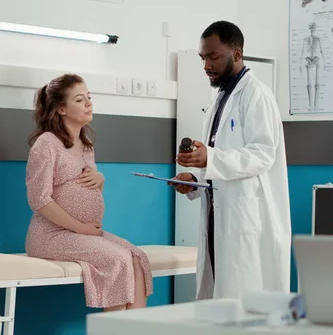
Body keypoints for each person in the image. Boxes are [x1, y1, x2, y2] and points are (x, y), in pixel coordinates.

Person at [169, 21, 292, 300]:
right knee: (219, 297)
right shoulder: (219, 98)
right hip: (219, 213)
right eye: (203, 58)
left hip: (247, 217)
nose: (206, 65)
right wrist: (196, 179)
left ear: (236, 54)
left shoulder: (256, 95)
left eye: (213, 56)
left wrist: (209, 158)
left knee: (244, 297)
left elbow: (262, 154)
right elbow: (221, 156)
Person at [25, 74, 153, 311]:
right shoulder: (47, 144)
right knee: (117, 259)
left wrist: (100, 178)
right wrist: (80, 227)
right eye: (80, 99)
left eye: (89, 97)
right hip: (51, 236)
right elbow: (39, 200)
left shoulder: (86, 144)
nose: (89, 103)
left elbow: (89, 188)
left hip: (83, 234)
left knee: (137, 257)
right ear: (61, 109)